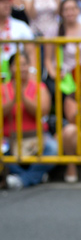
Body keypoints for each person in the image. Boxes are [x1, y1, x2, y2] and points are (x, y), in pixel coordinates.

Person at [2, 52, 55, 190]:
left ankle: (20, 180)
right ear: (11, 68)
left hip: (35, 138)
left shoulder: (39, 87)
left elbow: (43, 111)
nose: (22, 68)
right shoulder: (3, 88)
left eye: (25, 64)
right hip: (9, 139)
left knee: (53, 149)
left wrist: (23, 98)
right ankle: (33, 177)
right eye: (18, 65)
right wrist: (13, 100)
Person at [44, 0, 81, 90]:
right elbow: (48, 59)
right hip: (61, 74)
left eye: (73, 9)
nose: (70, 12)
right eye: (66, 10)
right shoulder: (53, 30)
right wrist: (54, 75)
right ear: (61, 13)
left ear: (79, 10)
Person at [0, 0, 35, 80]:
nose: (6, 4)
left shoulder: (21, 26)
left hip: (18, 80)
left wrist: (32, 73)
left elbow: (31, 53)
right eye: (1, 1)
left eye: (7, 1)